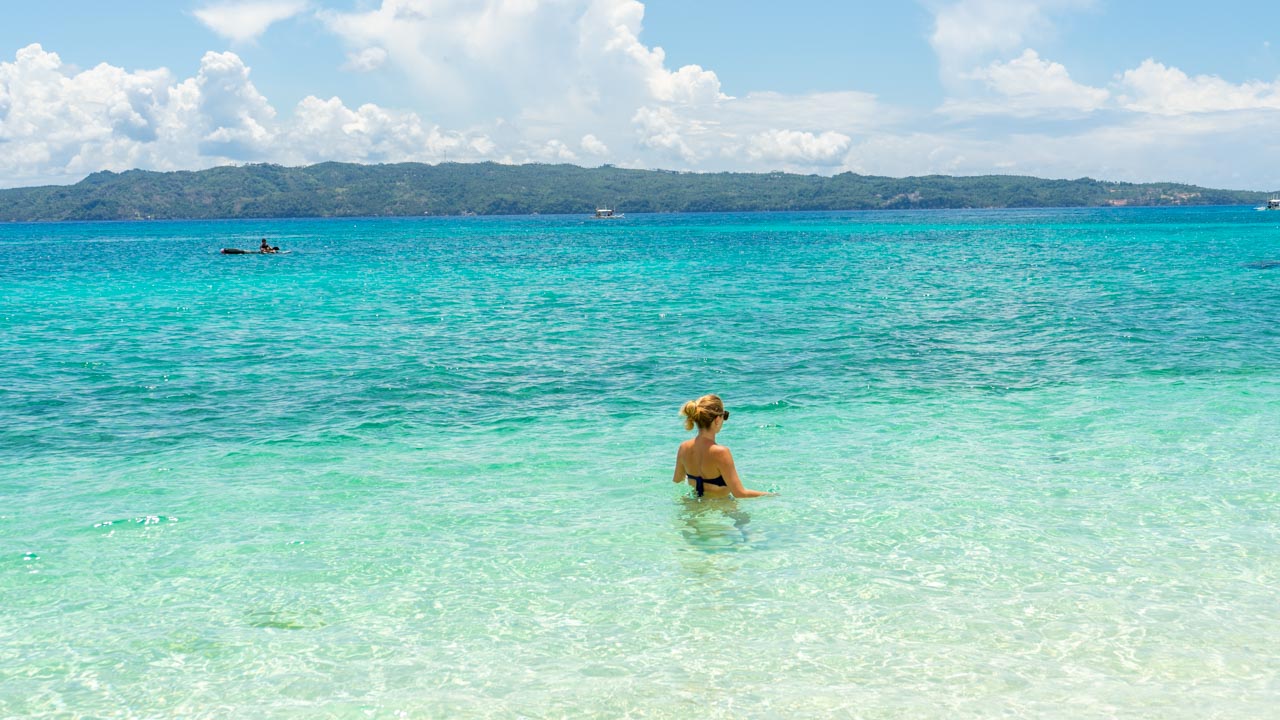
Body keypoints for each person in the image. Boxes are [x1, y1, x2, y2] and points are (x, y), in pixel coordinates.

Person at [673, 394, 773, 498]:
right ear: (717, 419)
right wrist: (772, 495)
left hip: (693, 506)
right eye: (724, 416)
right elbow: (739, 493)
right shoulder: (721, 452)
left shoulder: (683, 447)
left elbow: (677, 481)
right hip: (720, 507)